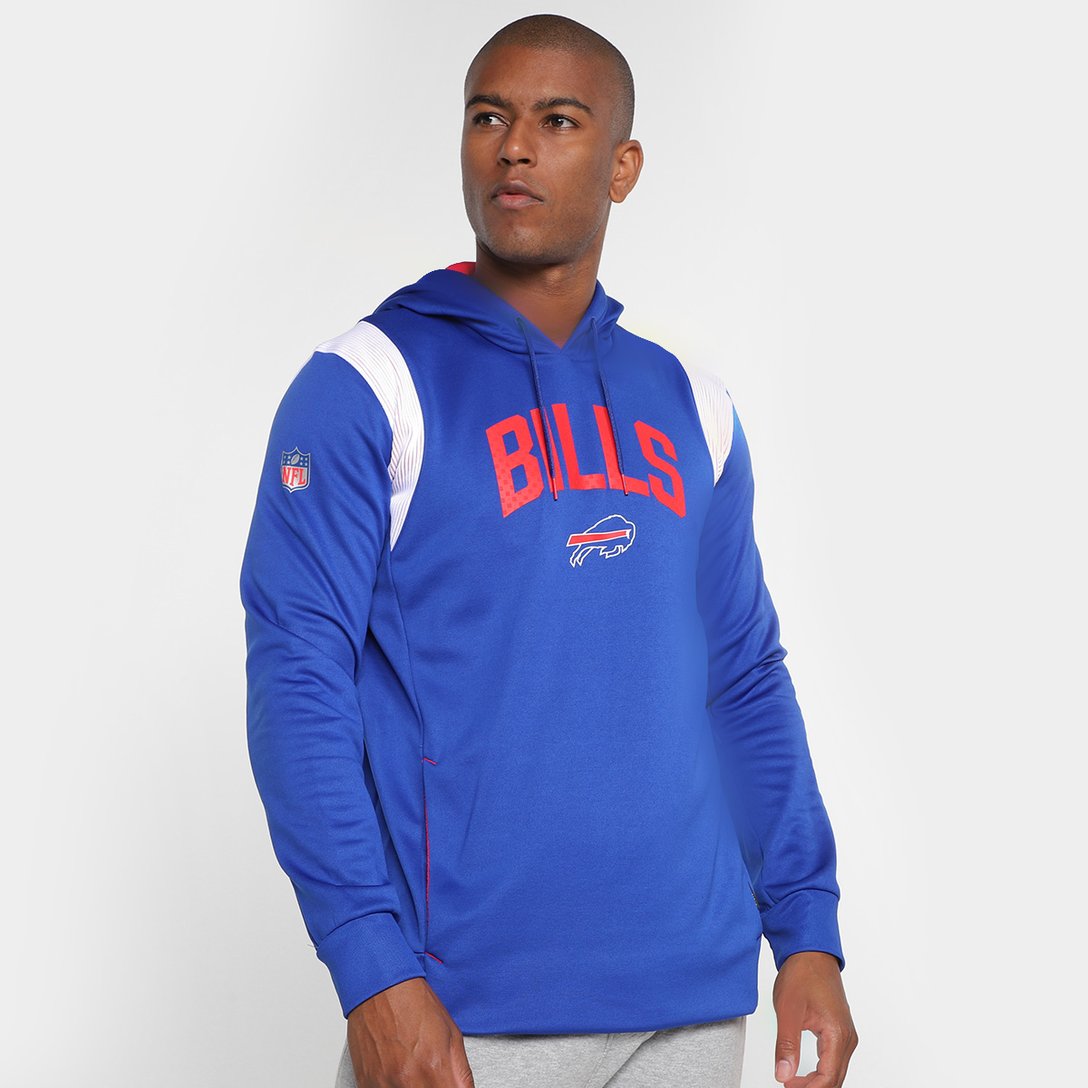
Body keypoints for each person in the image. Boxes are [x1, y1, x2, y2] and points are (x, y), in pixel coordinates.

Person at [239, 13, 858, 1088]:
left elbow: (745, 679)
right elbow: (298, 680)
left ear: (622, 166)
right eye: (488, 117)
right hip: (463, 1008)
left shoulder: (692, 404)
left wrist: (806, 931)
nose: (514, 147)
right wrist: (372, 971)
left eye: (557, 121)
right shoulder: (368, 385)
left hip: (691, 999)